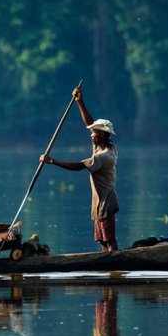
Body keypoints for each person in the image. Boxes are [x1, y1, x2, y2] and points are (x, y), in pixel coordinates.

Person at [38, 86, 119, 251]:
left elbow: (78, 166)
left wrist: (52, 161)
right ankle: (105, 264)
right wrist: (79, 101)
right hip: (98, 203)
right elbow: (90, 123)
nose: (91, 134)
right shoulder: (103, 146)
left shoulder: (103, 156)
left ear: (102, 135)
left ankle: (116, 267)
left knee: (110, 240)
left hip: (106, 202)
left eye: (94, 133)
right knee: (103, 241)